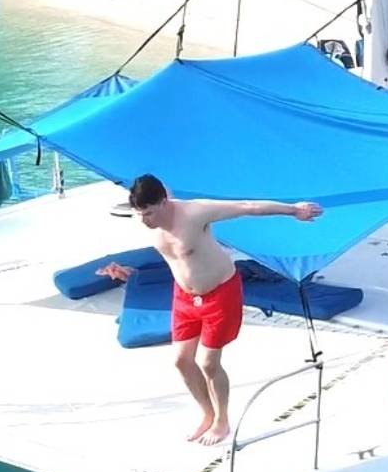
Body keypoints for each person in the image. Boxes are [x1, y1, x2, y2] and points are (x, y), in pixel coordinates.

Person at [99, 174, 323, 445]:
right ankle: (207, 414)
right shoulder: (150, 216)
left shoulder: (195, 213)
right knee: (181, 361)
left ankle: (222, 421)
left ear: (164, 202)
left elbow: (247, 208)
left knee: (208, 363)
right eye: (139, 215)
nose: (145, 221)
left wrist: (294, 211)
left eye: (148, 213)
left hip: (219, 295)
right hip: (184, 297)